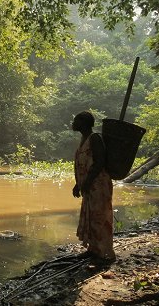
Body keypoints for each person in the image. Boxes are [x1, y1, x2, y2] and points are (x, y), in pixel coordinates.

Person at [71, 111, 116, 264]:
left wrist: (88, 182)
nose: (74, 122)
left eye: (76, 119)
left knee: (99, 217)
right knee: (91, 217)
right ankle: (93, 249)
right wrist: (78, 184)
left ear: (84, 122)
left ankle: (104, 252)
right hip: (88, 186)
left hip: (99, 184)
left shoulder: (94, 138)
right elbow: (83, 165)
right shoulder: (83, 139)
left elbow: (99, 162)